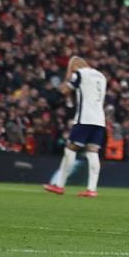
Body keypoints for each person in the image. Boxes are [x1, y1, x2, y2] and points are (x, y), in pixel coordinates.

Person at [43, 56, 107, 198]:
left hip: (85, 118)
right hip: (99, 120)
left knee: (70, 149)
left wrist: (55, 93)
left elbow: (65, 90)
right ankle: (92, 189)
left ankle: (59, 186)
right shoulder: (101, 76)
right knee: (93, 152)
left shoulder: (80, 74)